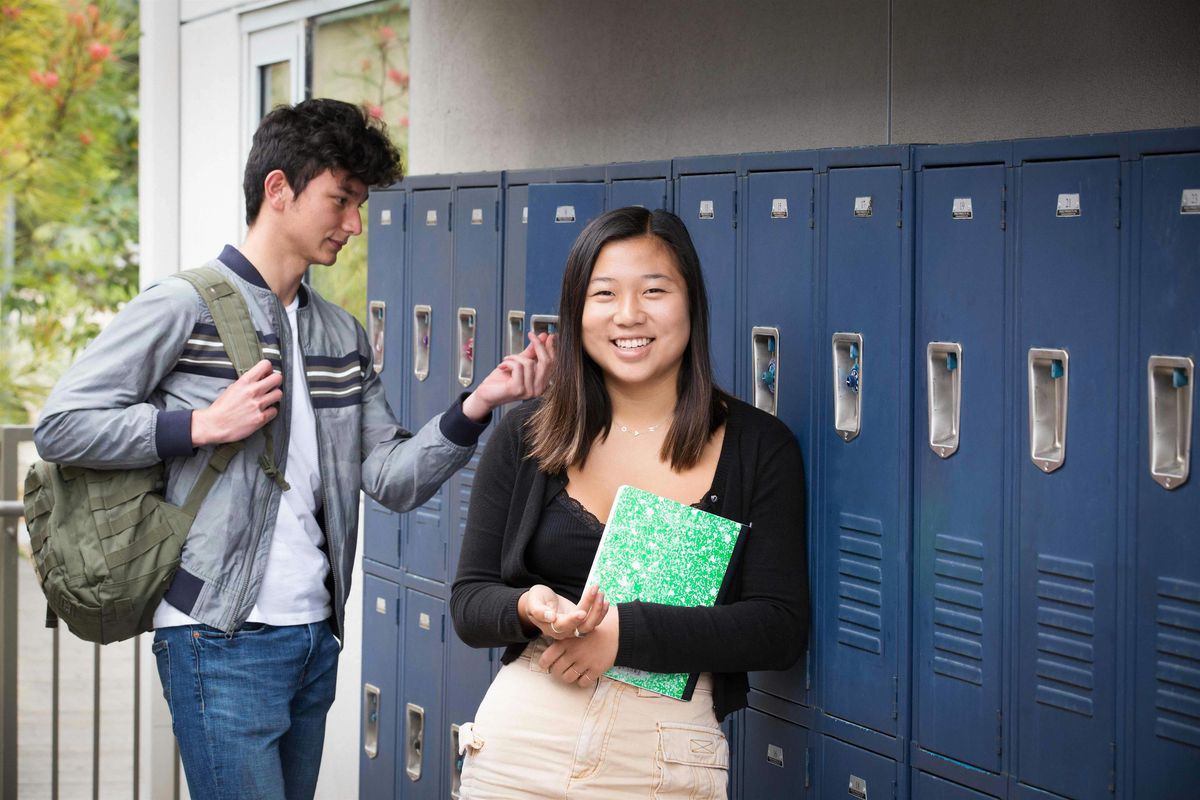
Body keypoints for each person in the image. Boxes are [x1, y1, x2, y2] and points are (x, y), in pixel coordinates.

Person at [33, 98, 554, 800]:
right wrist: (197, 427)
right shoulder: (182, 307)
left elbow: (392, 479)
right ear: (278, 190)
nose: (353, 224)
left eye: (360, 204)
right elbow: (62, 423)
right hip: (217, 636)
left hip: (313, 636)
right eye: (340, 200)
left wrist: (477, 406)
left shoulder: (339, 334)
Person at [450, 206, 808, 799]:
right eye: (605, 294)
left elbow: (777, 627)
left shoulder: (758, 446)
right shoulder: (529, 434)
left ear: (691, 301)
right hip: (521, 742)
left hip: (664, 755)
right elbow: (469, 602)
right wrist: (529, 605)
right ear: (577, 311)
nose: (628, 315)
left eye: (654, 291)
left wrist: (623, 635)